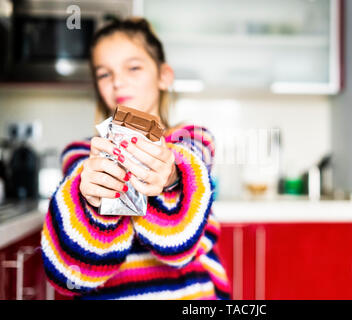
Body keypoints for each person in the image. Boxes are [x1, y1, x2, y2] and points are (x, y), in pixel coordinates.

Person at [40, 17, 231, 300]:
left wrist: (171, 178)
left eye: (133, 67)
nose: (117, 82)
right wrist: (91, 196)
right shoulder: (81, 155)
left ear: (164, 76)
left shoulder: (194, 140)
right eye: (104, 74)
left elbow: (178, 249)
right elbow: (76, 272)